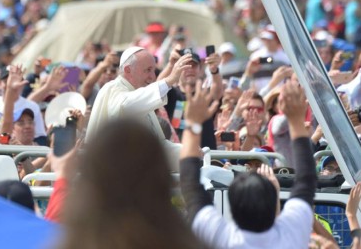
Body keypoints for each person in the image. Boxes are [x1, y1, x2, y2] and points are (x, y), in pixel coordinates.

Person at [180, 79, 316, 248]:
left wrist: (192, 123)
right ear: (275, 200)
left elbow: (189, 184)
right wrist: (297, 120)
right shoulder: (292, 233)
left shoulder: (221, 238)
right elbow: (307, 180)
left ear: (232, 207)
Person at [48, 118, 206, 249]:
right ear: (161, 172)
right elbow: (194, 190)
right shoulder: (184, 240)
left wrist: (63, 175)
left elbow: (52, 227)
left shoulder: (72, 238)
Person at [86, 46, 193, 141]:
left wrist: (187, 152)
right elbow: (126, 106)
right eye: (148, 70)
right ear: (128, 70)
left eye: (153, 70)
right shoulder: (112, 89)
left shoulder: (141, 97)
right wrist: (170, 80)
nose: (153, 77)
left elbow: (157, 147)